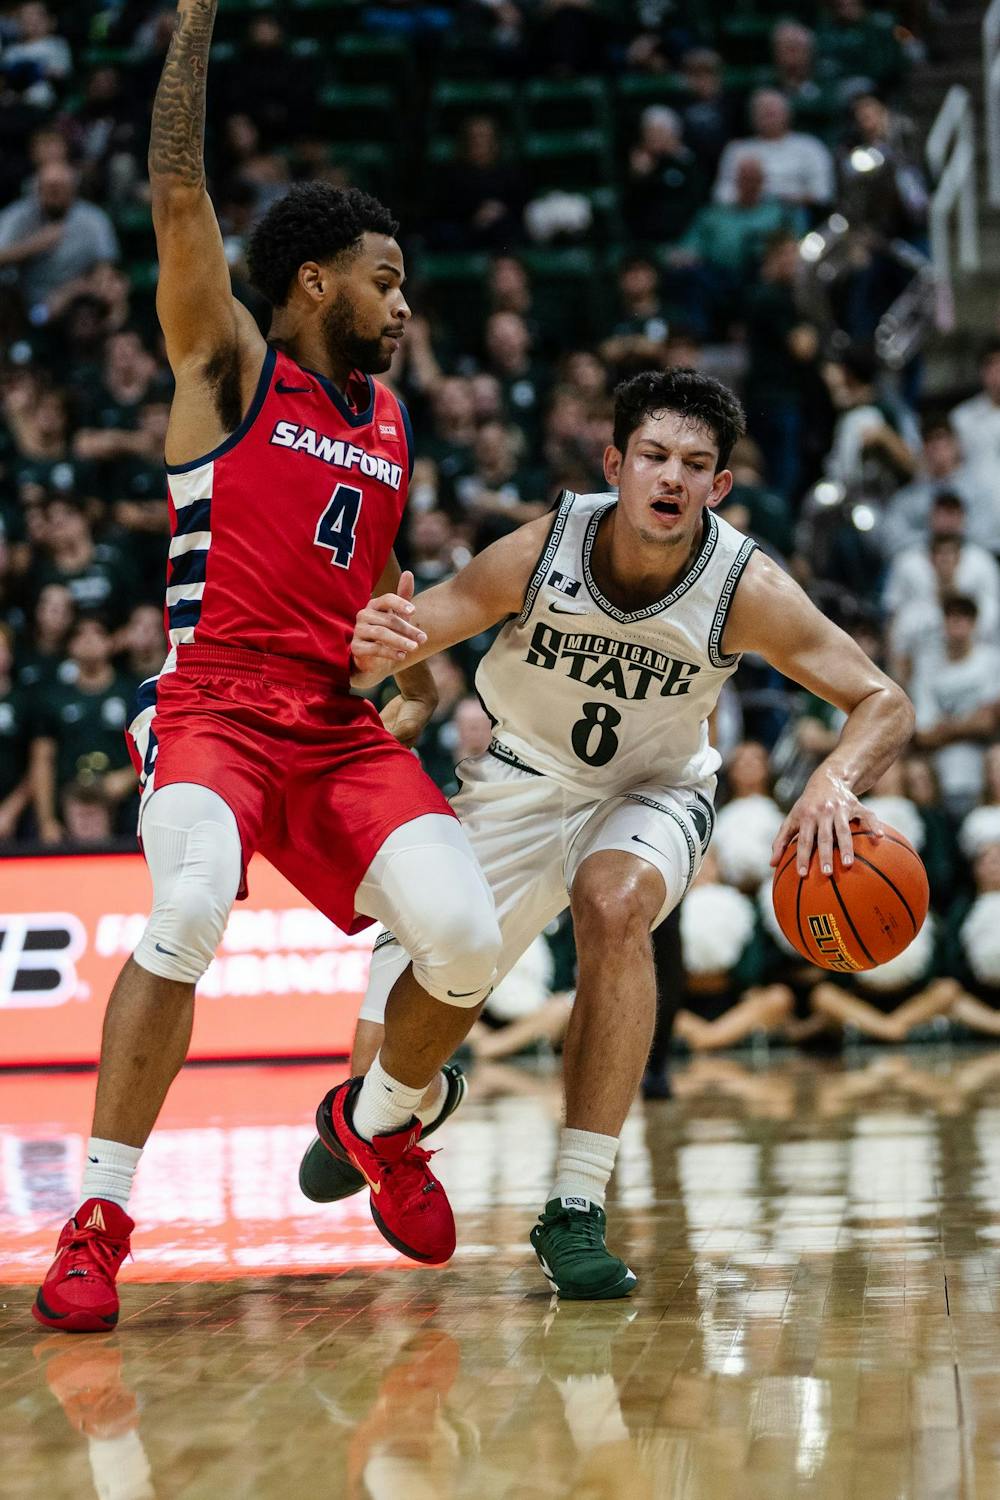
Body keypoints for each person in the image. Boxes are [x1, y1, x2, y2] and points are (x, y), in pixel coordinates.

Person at [33, 0, 503, 1336]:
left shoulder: (396, 421)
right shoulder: (229, 365)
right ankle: (101, 1218)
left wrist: (395, 667)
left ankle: (377, 1123)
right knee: (184, 907)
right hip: (215, 715)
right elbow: (176, 191)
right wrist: (194, 20)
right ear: (313, 283)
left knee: (465, 943)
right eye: (386, 279)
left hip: (341, 732)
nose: (405, 304)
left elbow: (375, 634)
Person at [300, 366, 913, 1300]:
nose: (672, 479)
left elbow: (883, 699)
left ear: (720, 487)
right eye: (655, 457)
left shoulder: (743, 584)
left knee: (615, 903)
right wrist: (378, 643)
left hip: (649, 790)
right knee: (389, 1067)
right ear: (615, 463)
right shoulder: (543, 550)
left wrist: (833, 779)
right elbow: (427, 627)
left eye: (695, 465)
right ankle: (388, 1108)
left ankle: (575, 1206)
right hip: (513, 785)